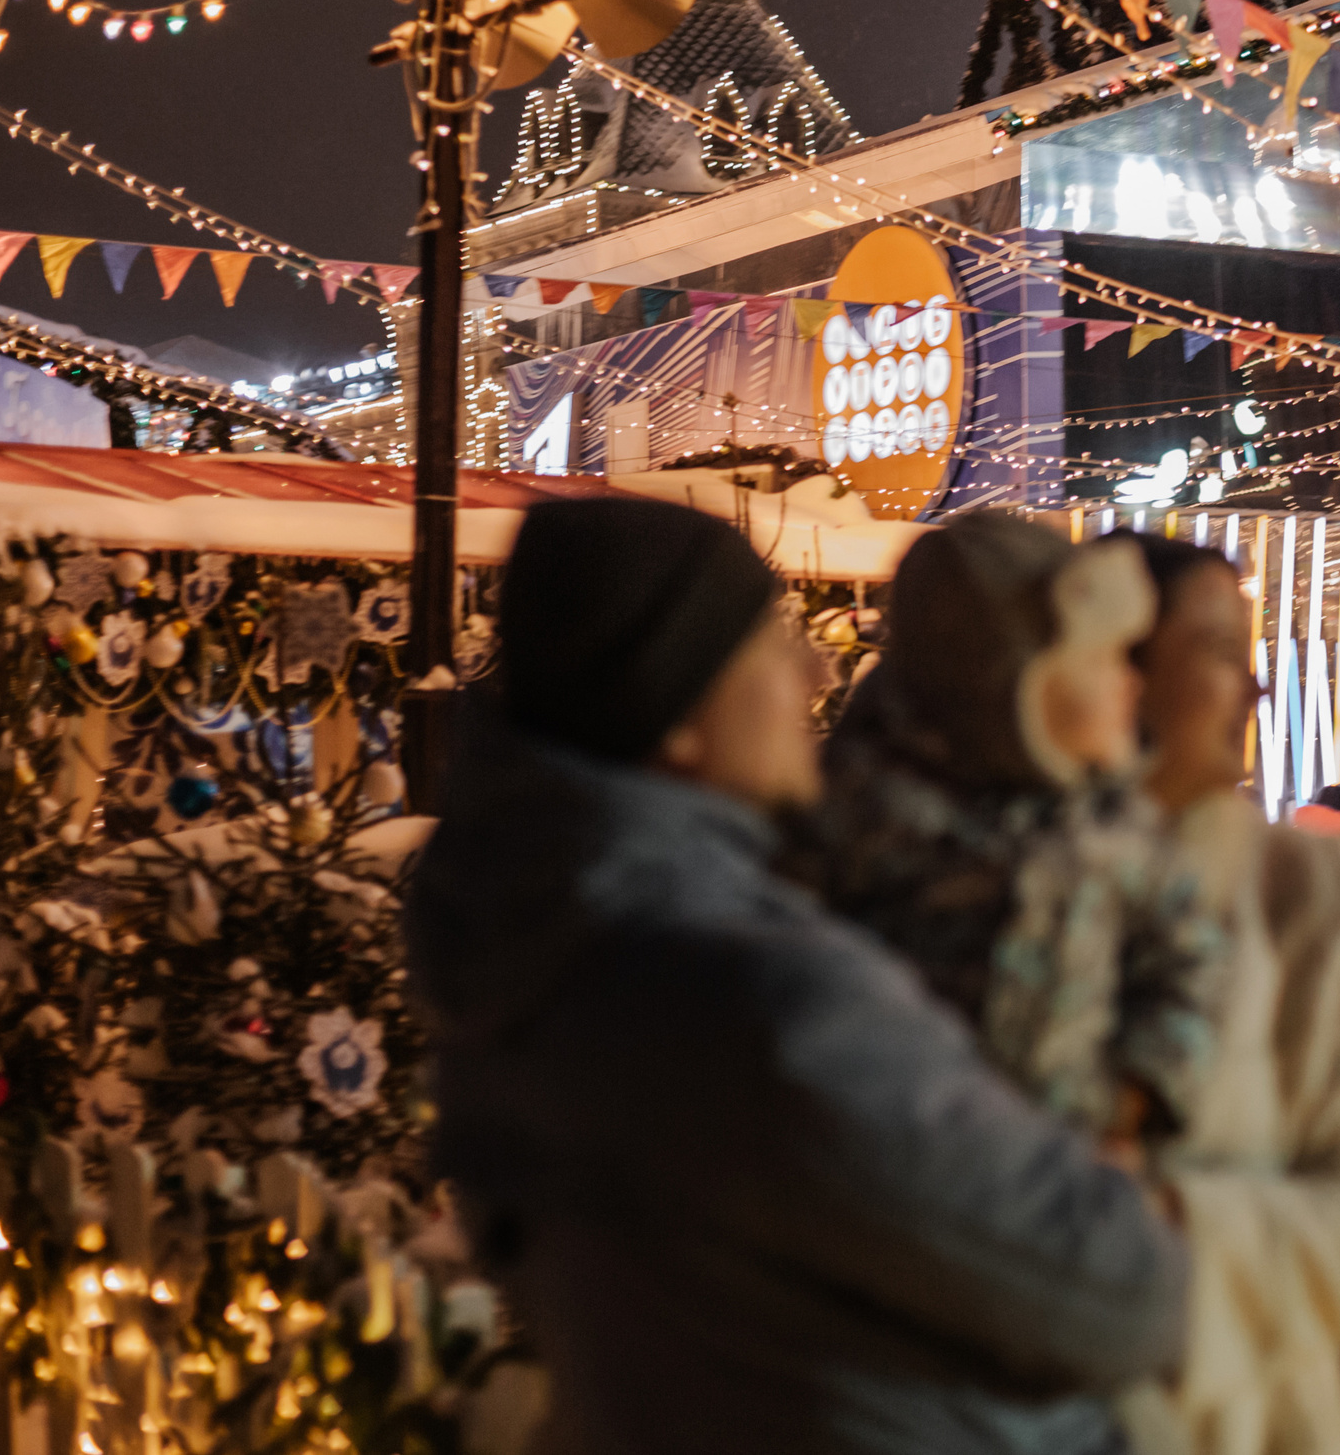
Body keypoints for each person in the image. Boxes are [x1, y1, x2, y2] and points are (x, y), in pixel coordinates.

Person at [406, 499, 1187, 1455]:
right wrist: (1115, 1174)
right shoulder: (763, 1001)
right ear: (682, 713)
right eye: (773, 642)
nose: (816, 671)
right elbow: (1117, 1291)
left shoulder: (532, 957)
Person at [1112, 534, 1340, 1455]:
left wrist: (1139, 1238)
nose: (1253, 690)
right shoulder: (1006, 888)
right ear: (1118, 664)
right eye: (1217, 650)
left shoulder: (1308, 898)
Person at [806, 512, 1223, 1142]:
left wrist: (1139, 1096)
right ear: (1017, 676)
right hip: (897, 1149)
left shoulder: (1116, 823)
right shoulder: (864, 812)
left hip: (1071, 1150)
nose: (1131, 680)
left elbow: (1186, 957)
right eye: (1105, 656)